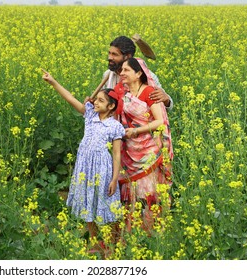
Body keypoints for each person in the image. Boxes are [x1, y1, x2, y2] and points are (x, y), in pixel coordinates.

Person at [42, 69, 125, 251]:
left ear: (111, 107)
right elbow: (71, 99)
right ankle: (94, 240)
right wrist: (53, 81)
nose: (95, 102)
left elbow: (117, 154)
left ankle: (111, 242)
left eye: (101, 101)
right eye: (96, 99)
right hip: (84, 165)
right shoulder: (90, 115)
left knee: (104, 202)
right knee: (87, 201)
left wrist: (114, 178)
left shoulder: (115, 126)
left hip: (102, 168)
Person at [116, 57, 173, 234]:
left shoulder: (149, 92)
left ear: (139, 73)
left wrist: (137, 131)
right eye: (121, 70)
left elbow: (160, 121)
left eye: (126, 70)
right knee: (132, 195)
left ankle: (153, 233)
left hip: (149, 152)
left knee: (148, 193)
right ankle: (134, 234)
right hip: (130, 152)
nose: (122, 73)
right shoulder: (124, 95)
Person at [104, 36, 173, 111]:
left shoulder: (147, 76)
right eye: (109, 53)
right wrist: (93, 102)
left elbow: (165, 105)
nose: (110, 57)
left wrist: (166, 100)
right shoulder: (108, 75)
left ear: (127, 56)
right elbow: (104, 100)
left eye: (114, 54)